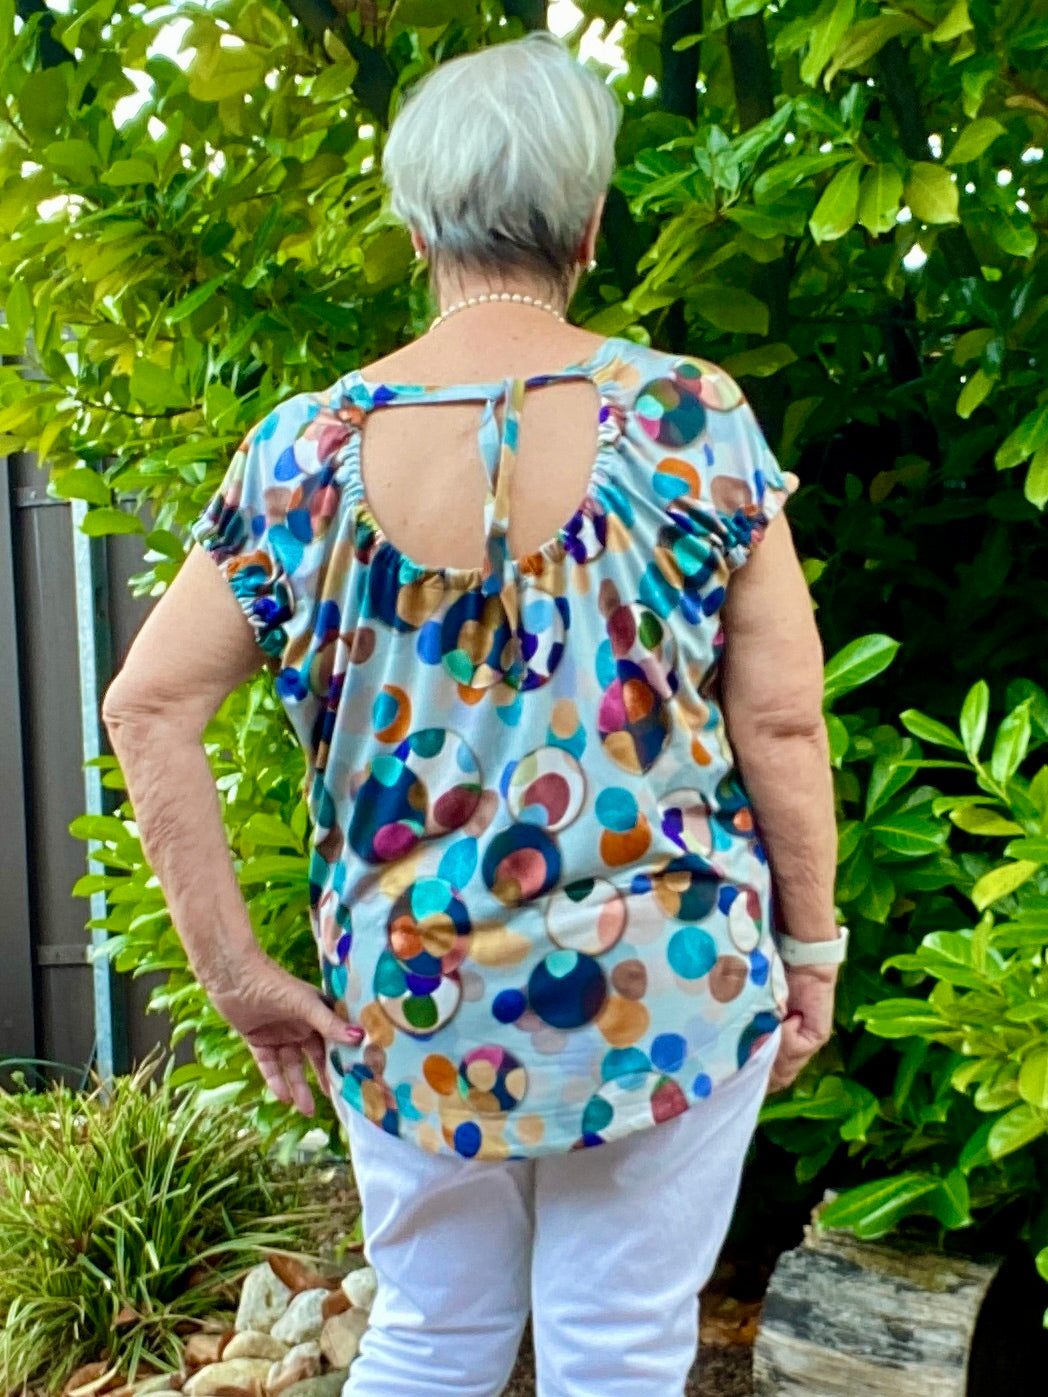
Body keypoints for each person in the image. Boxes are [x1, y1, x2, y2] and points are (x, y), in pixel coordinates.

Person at [103, 31, 842, 1397]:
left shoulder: (301, 455)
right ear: (592, 222)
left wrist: (237, 973)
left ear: (415, 225)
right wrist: (812, 947)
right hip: (667, 988)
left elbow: (147, 706)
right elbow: (786, 722)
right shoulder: (691, 422)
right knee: (618, 1349)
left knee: (431, 1337)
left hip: (414, 998)